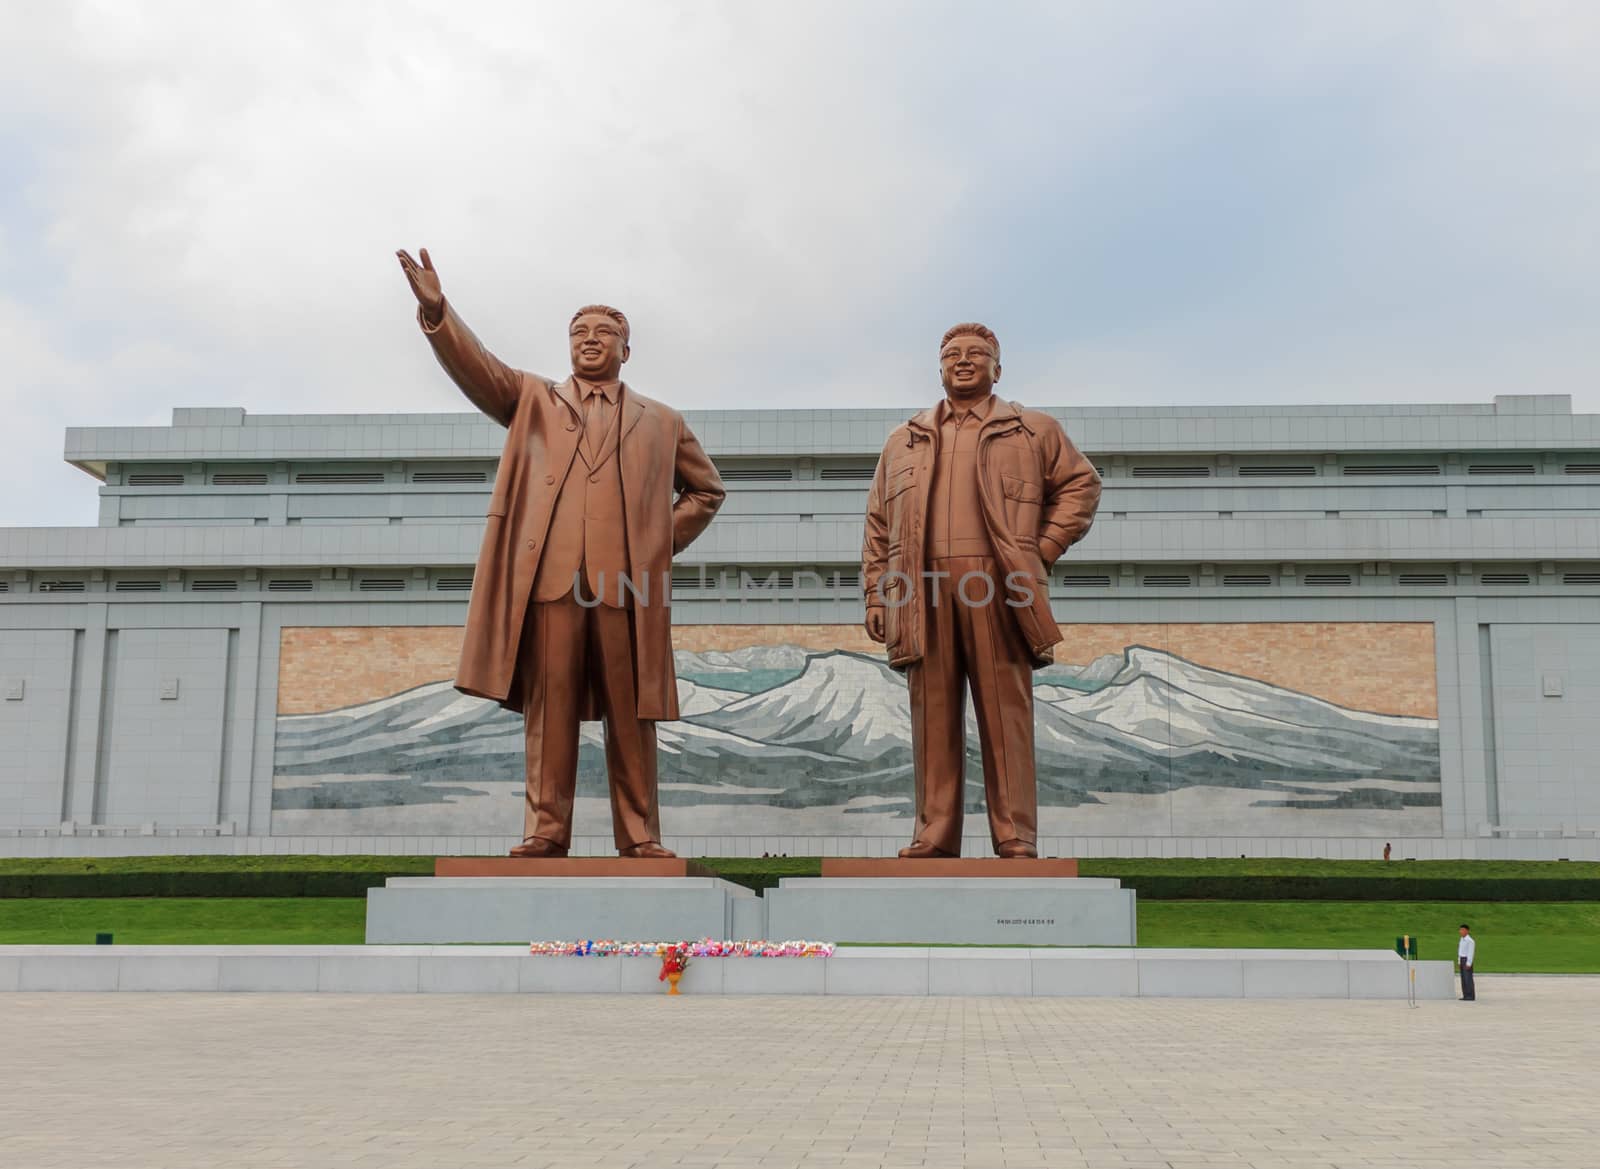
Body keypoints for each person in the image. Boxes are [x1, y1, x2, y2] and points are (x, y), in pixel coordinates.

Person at [397, 248, 725, 859]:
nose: (591, 340)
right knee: (549, 716)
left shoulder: (661, 421)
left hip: (624, 591)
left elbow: (707, 490)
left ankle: (641, 835)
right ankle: (547, 830)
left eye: (606, 333)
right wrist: (439, 311)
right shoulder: (532, 400)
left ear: (627, 350)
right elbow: (478, 367)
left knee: (633, 717)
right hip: (551, 585)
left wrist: (656, 543)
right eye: (580, 332)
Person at [862, 323, 1101, 858]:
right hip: (920, 591)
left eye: (976, 354)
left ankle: (1015, 835)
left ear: (998, 367)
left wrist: (1042, 548)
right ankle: (934, 834)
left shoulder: (1032, 430)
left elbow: (1081, 484)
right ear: (939, 367)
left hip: (999, 586)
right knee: (932, 718)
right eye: (951, 354)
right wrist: (877, 594)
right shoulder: (905, 440)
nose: (962, 361)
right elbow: (878, 524)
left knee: (1005, 715)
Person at [1458, 923, 1476, 1001]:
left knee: (1468, 978)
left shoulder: (1470, 941)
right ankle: (1465, 995)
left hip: (1466, 960)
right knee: (1463, 978)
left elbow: (1470, 953)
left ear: (1466, 931)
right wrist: (1459, 961)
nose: (1460, 931)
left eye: (1462, 930)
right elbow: (1460, 951)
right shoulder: (1461, 939)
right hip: (1462, 959)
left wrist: (1469, 963)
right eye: (1460, 930)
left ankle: (1470, 995)